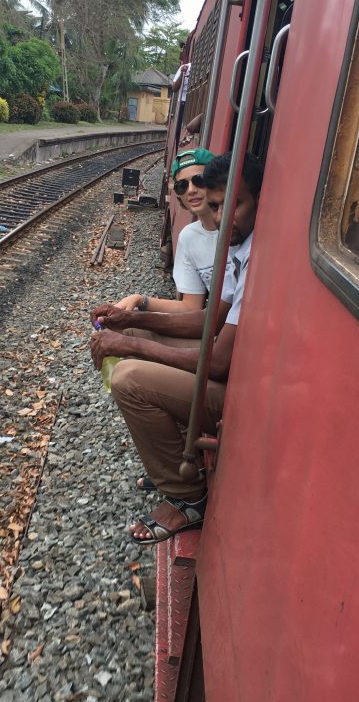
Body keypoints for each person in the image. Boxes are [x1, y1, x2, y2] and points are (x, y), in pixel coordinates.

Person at [89, 152, 264, 545]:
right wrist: (131, 321)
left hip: (245, 396)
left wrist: (128, 342)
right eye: (216, 206)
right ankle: (170, 454)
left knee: (129, 378)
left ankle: (188, 500)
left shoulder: (256, 255)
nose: (221, 218)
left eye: (234, 204)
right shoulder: (241, 246)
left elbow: (218, 364)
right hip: (237, 375)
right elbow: (205, 321)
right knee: (140, 345)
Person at [115, 147, 218, 314]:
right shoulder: (189, 237)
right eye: (182, 185)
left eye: (199, 180)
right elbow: (190, 307)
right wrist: (139, 300)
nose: (191, 190)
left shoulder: (238, 230)